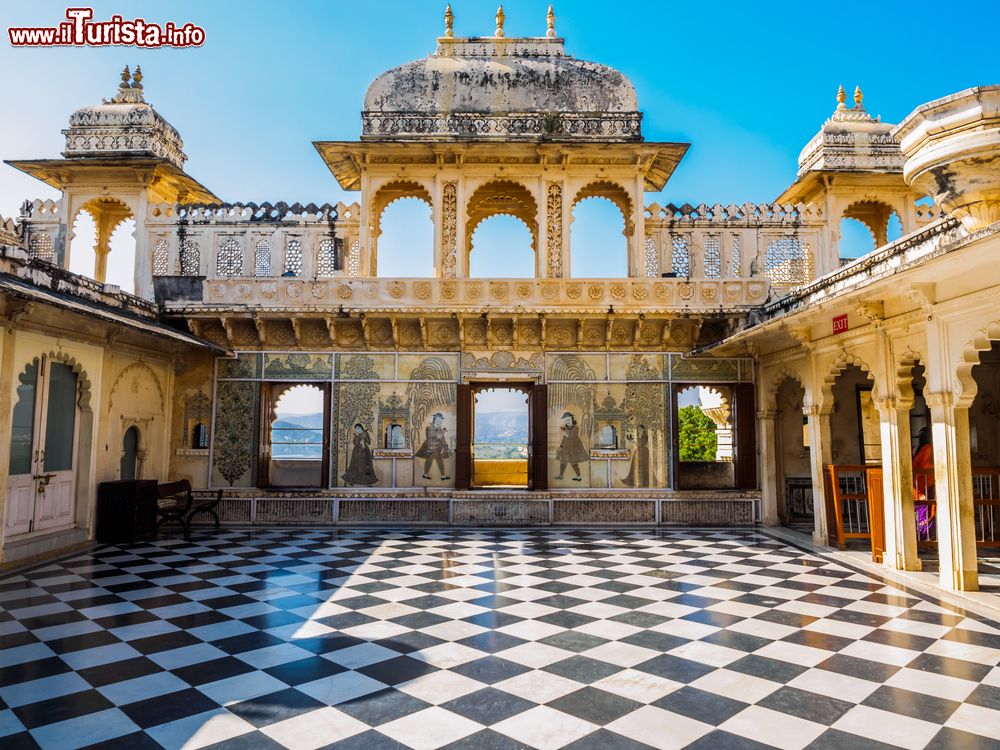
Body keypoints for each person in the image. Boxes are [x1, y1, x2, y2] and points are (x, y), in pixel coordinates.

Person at [912, 426, 935, 539]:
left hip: (917, 484)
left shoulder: (918, 449)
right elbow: (924, 466)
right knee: (926, 511)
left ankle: (922, 537)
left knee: (923, 511)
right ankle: (925, 538)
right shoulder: (928, 448)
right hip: (925, 484)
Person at [416, 413, 451, 480]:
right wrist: (442, 432)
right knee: (429, 460)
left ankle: (443, 475)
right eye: (438, 420)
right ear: (434, 420)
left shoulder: (440, 429)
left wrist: (446, 448)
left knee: (440, 460)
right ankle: (425, 474)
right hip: (430, 447)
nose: (439, 422)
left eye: (441, 421)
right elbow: (436, 437)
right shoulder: (429, 428)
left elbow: (443, 439)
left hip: (438, 449)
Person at [554, 411, 587, 481]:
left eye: (568, 419)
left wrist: (564, 433)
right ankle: (561, 475)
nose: (567, 421)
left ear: (572, 419)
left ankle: (578, 476)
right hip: (566, 447)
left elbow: (571, 436)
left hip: (574, 447)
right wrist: (561, 446)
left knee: (573, 462)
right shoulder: (566, 429)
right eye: (566, 420)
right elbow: (564, 438)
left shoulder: (576, 428)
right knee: (563, 461)